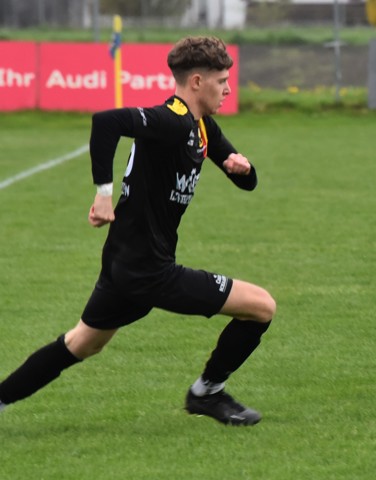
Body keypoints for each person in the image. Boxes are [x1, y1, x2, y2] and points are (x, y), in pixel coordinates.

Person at [0, 36, 275, 426]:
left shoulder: (201, 127)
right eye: (221, 80)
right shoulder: (169, 120)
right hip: (148, 269)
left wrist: (242, 169)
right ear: (196, 81)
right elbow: (106, 121)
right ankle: (207, 393)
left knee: (82, 342)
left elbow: (247, 183)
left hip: (124, 263)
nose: (228, 88)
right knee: (262, 307)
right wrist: (103, 194)